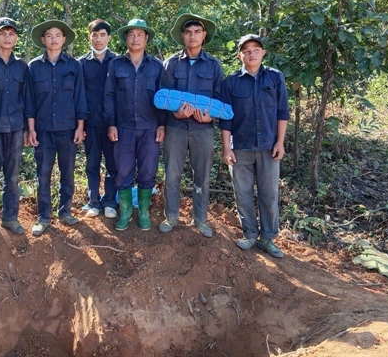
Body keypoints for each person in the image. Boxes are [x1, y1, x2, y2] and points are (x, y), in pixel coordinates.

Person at [219, 34, 290, 258]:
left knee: (269, 195)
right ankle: (249, 234)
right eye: (246, 51)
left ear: (263, 53)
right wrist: (226, 148)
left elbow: (282, 112)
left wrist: (280, 142)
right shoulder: (231, 82)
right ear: (239, 55)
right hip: (240, 147)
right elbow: (225, 119)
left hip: (269, 146)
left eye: (256, 50)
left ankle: (267, 238)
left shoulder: (275, 78)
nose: (251, 54)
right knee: (243, 193)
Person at [159, 14, 224, 238]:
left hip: (202, 129)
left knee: (202, 175)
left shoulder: (214, 65)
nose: (192, 36)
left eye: (197, 32)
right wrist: (175, 113)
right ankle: (171, 216)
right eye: (188, 32)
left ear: (204, 35)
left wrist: (210, 118)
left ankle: (200, 219)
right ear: (182, 36)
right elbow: (163, 96)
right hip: (175, 128)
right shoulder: (171, 63)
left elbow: (219, 98)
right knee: (172, 173)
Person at [104, 19, 166, 231]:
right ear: (126, 39)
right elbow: (109, 96)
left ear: (146, 39)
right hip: (123, 128)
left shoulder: (157, 66)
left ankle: (144, 212)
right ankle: (126, 212)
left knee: (148, 170)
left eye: (140, 35)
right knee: (123, 170)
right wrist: (111, 124)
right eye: (131, 35)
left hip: (150, 127)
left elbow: (163, 98)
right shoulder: (116, 65)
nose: (135, 39)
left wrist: (162, 125)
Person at [28, 20, 88, 236]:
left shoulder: (74, 66)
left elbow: (80, 98)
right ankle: (43, 217)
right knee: (43, 174)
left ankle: (65, 211)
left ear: (64, 39)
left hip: (67, 128)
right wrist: (31, 129)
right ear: (43, 40)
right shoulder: (33, 67)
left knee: (67, 172)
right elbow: (29, 101)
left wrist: (80, 127)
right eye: (49, 35)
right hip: (43, 130)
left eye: (57, 35)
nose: (53, 39)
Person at [0, 17, 35, 239]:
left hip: (16, 129)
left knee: (12, 177)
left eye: (11, 34)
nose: (7, 37)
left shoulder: (22, 66)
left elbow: (27, 99)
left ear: (16, 38)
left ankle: (10, 217)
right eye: (3, 33)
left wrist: (29, 129)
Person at [78, 19, 118, 219]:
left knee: (113, 164)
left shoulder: (118, 62)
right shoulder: (81, 64)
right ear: (89, 37)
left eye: (103, 35)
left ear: (109, 37)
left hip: (113, 123)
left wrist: (116, 122)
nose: (99, 39)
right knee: (92, 164)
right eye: (95, 35)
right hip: (91, 123)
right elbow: (78, 96)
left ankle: (110, 201)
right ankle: (94, 201)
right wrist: (80, 124)